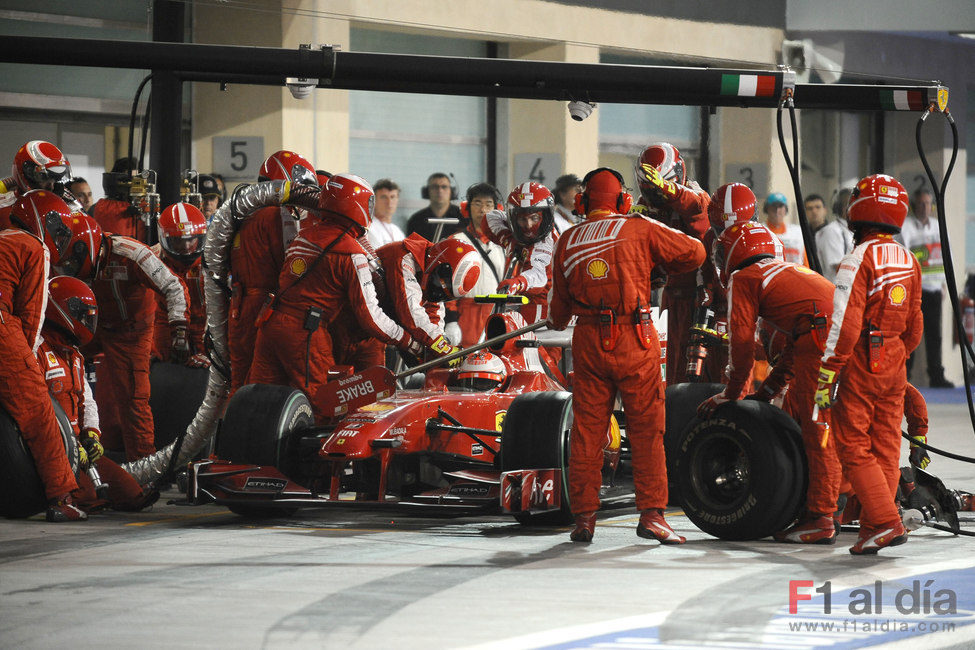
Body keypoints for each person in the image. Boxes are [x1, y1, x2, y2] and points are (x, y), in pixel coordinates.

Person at [548, 167, 706, 543]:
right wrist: (656, 266)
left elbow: (557, 314)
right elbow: (696, 253)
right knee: (647, 427)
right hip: (635, 336)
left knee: (587, 432)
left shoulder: (567, 240)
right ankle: (652, 515)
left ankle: (584, 519)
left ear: (582, 203)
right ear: (623, 200)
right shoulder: (638, 227)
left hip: (587, 340)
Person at [697, 222, 840, 544]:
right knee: (839, 427)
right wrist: (765, 395)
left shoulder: (744, 278)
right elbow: (794, 349)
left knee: (817, 429)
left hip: (820, 339)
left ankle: (822, 518)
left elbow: (743, 347)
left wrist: (731, 394)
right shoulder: (789, 270)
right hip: (844, 336)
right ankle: (854, 508)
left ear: (733, 252)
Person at [247, 174, 425, 421]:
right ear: (356, 206)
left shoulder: (305, 235)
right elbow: (371, 316)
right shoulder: (351, 252)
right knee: (320, 407)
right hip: (306, 331)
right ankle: (319, 461)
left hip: (269, 322)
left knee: (257, 401)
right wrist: (408, 341)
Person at [815, 173, 922, 555]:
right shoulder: (908, 258)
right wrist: (895, 355)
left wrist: (828, 373)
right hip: (895, 360)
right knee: (887, 444)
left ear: (860, 208)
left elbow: (844, 325)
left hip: (863, 359)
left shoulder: (858, 257)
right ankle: (876, 523)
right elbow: (915, 325)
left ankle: (886, 522)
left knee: (852, 443)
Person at [1, 192, 94, 522]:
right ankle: (60, 498)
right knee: (38, 411)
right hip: (3, 328)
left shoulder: (4, 238)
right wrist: (25, 358)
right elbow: (32, 314)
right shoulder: (33, 246)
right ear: (47, 222)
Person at [38, 276, 158, 512]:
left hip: (79, 447)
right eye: (82, 314)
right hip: (51, 448)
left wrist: (92, 434)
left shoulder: (74, 355)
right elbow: (37, 410)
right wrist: (69, 444)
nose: (87, 321)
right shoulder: (37, 350)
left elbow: (88, 401)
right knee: (90, 497)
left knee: (133, 494)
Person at [84, 213, 191, 461]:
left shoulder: (133, 253)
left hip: (130, 333)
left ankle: (143, 469)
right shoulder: (65, 255)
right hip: (89, 326)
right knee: (54, 377)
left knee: (133, 401)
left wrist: (179, 330)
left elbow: (173, 285)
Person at [228, 150, 317, 391]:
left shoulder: (239, 213)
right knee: (266, 385)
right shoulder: (278, 213)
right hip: (266, 306)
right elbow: (291, 261)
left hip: (238, 306)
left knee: (239, 383)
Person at [633, 142, 710, 385]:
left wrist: (667, 188)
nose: (657, 195)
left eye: (660, 188)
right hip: (669, 294)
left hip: (702, 296)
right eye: (650, 189)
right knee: (669, 364)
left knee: (698, 367)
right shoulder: (645, 205)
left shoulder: (695, 195)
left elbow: (698, 209)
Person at [375, 234, 480, 363]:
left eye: (446, 295)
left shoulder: (431, 263)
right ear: (440, 265)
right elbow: (410, 312)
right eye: (441, 284)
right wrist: (442, 348)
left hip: (382, 325)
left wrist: (440, 340)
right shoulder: (403, 257)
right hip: (360, 327)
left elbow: (433, 307)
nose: (439, 292)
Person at [483, 181, 557, 324]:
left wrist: (517, 283)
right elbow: (490, 218)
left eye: (534, 218)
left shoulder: (547, 243)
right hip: (518, 307)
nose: (528, 225)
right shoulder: (516, 238)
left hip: (543, 313)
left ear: (545, 216)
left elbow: (538, 275)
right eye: (523, 219)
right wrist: (509, 239)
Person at [901, 187, 953, 387]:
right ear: (913, 206)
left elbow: (946, 257)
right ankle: (904, 376)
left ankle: (936, 376)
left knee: (934, 335)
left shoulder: (939, 227)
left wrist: (944, 285)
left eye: (927, 203)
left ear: (932, 206)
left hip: (933, 289)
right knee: (909, 335)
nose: (924, 207)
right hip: (913, 290)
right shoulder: (905, 227)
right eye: (920, 203)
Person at [447, 182, 506, 346]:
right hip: (465, 314)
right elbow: (445, 285)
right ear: (467, 208)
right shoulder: (456, 241)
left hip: (496, 313)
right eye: (478, 204)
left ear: (497, 208)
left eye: (489, 204)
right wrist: (450, 319)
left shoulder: (503, 244)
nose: (483, 210)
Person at [151, 203, 209, 367]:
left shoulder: (213, 260)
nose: (186, 247)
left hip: (206, 335)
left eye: (191, 240)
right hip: (165, 337)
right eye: (178, 241)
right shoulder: (151, 260)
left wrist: (210, 355)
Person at [90, 157, 147, 242]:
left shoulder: (144, 206)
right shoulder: (105, 208)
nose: (135, 186)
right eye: (131, 180)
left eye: (138, 180)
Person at [406, 172, 464, 242]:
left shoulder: (463, 217)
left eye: (444, 187)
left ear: (451, 191)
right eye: (435, 187)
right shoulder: (416, 220)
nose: (440, 191)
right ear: (427, 191)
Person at [815, 188, 854, 284]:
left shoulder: (851, 230)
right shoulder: (832, 231)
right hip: (834, 292)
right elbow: (838, 266)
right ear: (841, 208)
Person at [762, 192, 806, 266]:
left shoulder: (797, 232)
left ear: (785, 210)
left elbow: (805, 260)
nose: (777, 210)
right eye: (774, 206)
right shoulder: (761, 230)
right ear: (767, 209)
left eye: (780, 206)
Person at [366, 178, 406, 249]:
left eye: (392, 197)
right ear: (374, 201)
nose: (389, 202)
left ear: (397, 200)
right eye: (384, 197)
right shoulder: (369, 228)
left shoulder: (398, 231)